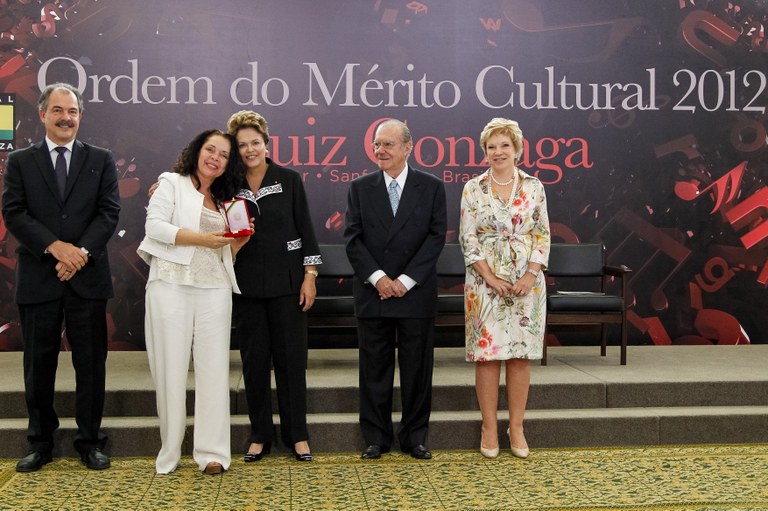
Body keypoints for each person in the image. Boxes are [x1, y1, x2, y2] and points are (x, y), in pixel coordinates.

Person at [2, 82, 121, 472]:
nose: (65, 117)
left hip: (87, 278)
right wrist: (57, 248)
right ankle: (40, 443)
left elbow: (108, 214)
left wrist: (80, 253)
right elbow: (15, 213)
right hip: (40, 276)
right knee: (39, 364)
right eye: (58, 110)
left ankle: (90, 441)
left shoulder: (101, 159)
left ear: (80, 116)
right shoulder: (20, 161)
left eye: (72, 111)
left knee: (91, 364)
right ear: (42, 114)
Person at [137, 129, 250, 475]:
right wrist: (201, 239)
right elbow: (154, 227)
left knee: (214, 371)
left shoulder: (228, 199)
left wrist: (239, 241)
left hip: (215, 288)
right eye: (209, 149)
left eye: (223, 154)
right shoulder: (170, 183)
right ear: (197, 151)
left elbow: (227, 249)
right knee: (170, 370)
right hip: (171, 284)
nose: (214, 157)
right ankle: (170, 451)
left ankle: (212, 453)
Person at [344, 119, 447, 460]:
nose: (380, 150)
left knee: (417, 371)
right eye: (377, 145)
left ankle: (415, 437)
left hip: (414, 293)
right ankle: (376, 437)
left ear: (408, 147)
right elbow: (353, 239)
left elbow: (436, 238)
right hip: (374, 292)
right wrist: (379, 279)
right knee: (374, 369)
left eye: (388, 144)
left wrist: (404, 281)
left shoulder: (431, 186)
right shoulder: (360, 187)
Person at [226, 110, 321, 462]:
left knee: (291, 362)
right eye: (242, 145)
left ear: (267, 143)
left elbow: (307, 231)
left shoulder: (289, 179)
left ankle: (297, 435)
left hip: (288, 284)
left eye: (255, 142)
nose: (250, 149)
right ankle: (259, 434)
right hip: (246, 287)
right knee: (253, 363)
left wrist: (310, 277)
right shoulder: (227, 182)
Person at [459, 118, 550, 459]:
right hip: (484, 284)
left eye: (504, 146)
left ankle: (517, 427)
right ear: (485, 152)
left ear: (517, 149)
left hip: (527, 285)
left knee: (519, 357)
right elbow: (468, 240)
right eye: (492, 147)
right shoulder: (472, 188)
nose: (498, 152)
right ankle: (488, 427)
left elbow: (542, 234)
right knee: (487, 357)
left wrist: (530, 274)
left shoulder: (534, 186)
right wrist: (491, 278)